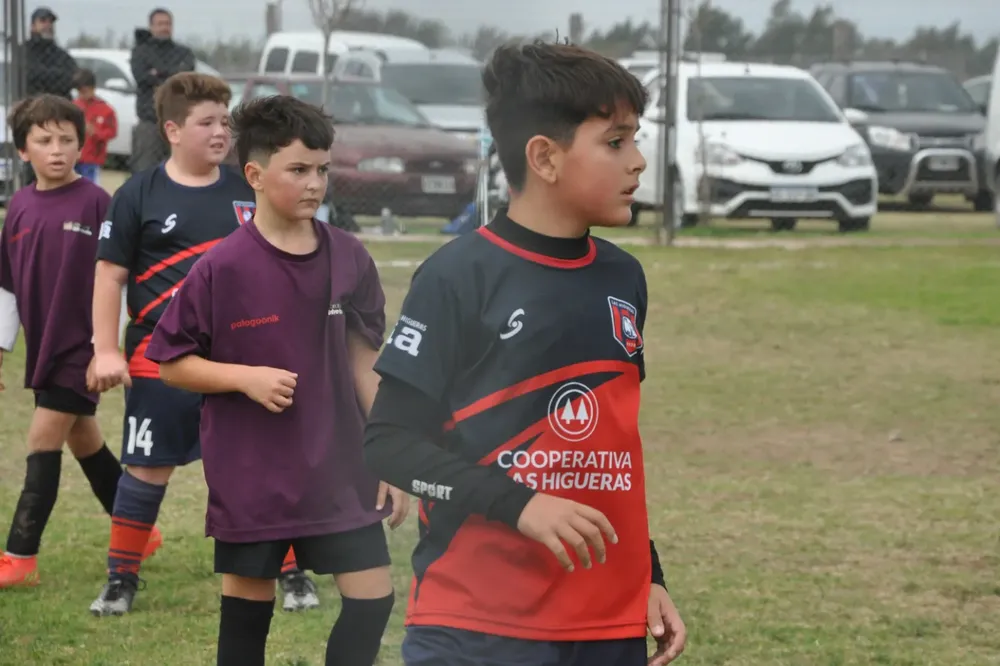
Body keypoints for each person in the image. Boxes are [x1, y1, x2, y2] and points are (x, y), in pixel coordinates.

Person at [362, 41, 688, 666]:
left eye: (636, 140)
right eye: (616, 142)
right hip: (475, 626)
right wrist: (521, 505)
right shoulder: (460, 276)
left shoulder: (624, 278)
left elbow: (612, 450)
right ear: (545, 157)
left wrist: (647, 574)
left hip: (604, 623)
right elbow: (390, 445)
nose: (639, 161)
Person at [143, 94, 408, 666]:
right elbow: (171, 363)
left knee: (374, 600)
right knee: (245, 621)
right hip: (253, 475)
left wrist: (391, 453)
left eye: (322, 169)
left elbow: (366, 360)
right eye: (298, 170)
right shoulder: (222, 268)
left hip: (339, 467)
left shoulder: (349, 257)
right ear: (256, 175)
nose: (315, 183)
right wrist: (244, 378)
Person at [87, 73, 317, 616]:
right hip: (158, 356)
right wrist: (105, 348)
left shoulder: (248, 188)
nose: (221, 132)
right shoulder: (137, 194)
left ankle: (291, 573)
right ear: (172, 129)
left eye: (225, 121)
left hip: (244, 357)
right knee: (145, 466)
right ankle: (121, 578)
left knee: (264, 464)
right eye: (207, 122)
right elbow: (109, 277)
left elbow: (285, 262)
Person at [0, 94, 157, 589]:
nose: (56, 149)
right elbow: (6, 287)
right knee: (82, 436)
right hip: (43, 346)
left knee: (42, 439)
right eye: (43, 141)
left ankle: (19, 557)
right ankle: (138, 531)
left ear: (81, 145)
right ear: (23, 150)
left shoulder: (97, 202)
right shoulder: (19, 207)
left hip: (82, 348)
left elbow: (120, 277)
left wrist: (105, 346)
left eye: (66, 140)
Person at [129, 8, 195, 173]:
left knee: (180, 171)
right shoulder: (140, 52)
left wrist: (157, 73)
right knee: (146, 171)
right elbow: (142, 78)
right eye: (160, 24)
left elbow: (186, 79)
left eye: (167, 24)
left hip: (179, 122)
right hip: (150, 121)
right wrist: (172, 75)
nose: (164, 27)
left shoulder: (183, 52)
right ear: (151, 27)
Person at [72, 69, 118, 184]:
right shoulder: (73, 106)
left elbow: (112, 132)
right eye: (80, 92)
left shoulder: (105, 109)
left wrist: (96, 133)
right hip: (73, 158)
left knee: (90, 188)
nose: (82, 95)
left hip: (92, 160)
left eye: (85, 91)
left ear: (93, 88)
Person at [24, 7, 76, 99]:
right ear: (33, 26)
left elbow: (72, 77)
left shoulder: (61, 54)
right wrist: (57, 76)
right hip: (31, 108)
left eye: (51, 22)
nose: (48, 25)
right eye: (43, 21)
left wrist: (44, 76)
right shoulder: (23, 51)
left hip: (59, 108)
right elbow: (28, 77)